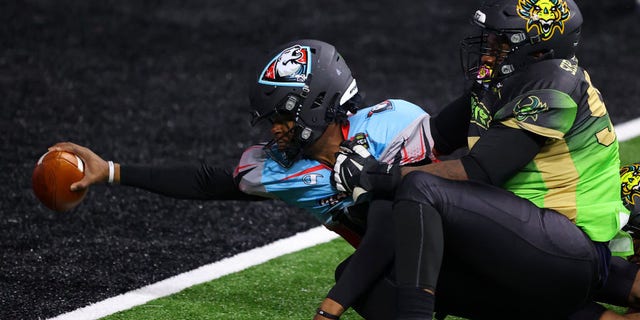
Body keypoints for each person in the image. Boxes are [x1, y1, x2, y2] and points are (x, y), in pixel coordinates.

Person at [47, 39, 436, 317]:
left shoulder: (394, 123)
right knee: (363, 284)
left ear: (317, 104)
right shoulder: (283, 171)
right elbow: (208, 182)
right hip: (417, 270)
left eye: (283, 116)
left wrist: (331, 307)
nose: (276, 130)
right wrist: (113, 171)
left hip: (454, 240)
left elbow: (437, 191)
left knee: (386, 226)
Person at [331, 0, 640, 319]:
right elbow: (434, 133)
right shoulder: (500, 82)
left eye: (501, 42)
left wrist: (378, 177)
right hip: (519, 241)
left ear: (537, 51)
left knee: (423, 189)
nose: (489, 49)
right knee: (371, 280)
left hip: (566, 244)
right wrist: (352, 151)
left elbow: (480, 171)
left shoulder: (554, 84)